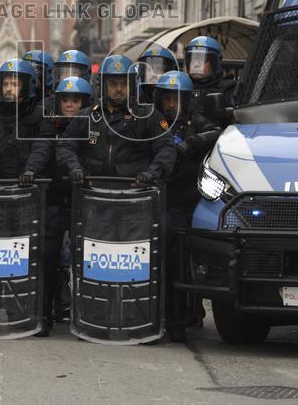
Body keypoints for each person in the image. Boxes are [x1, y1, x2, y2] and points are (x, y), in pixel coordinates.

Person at [0, 59, 54, 333]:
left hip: (25, 197)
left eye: (15, 83)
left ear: (26, 87)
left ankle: (22, 314)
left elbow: (42, 147)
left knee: (25, 256)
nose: (9, 88)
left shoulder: (38, 117)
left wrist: (31, 171)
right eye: (5, 83)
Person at [152, 71, 221, 343]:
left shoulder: (194, 121)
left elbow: (217, 132)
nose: (171, 104)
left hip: (185, 199)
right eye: (167, 98)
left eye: (176, 99)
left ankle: (180, 320)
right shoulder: (153, 121)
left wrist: (190, 144)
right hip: (157, 199)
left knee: (179, 263)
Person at [28, 75, 93, 334]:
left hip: (85, 200)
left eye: (75, 100)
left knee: (86, 258)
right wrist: (30, 172)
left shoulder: (93, 126)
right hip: (53, 198)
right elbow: (41, 151)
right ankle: (44, 315)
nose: (69, 105)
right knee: (47, 255)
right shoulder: (49, 125)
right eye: (65, 99)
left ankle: (88, 314)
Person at [56, 54, 177, 188]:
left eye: (124, 83)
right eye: (113, 84)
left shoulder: (149, 116)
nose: (119, 89)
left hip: (136, 194)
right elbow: (65, 146)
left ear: (132, 85)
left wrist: (152, 173)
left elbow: (166, 148)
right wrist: (74, 168)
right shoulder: (87, 116)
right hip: (92, 192)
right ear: (103, 85)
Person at [184, 36, 235, 129]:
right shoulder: (182, 86)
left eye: (202, 59)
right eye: (192, 59)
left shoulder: (228, 89)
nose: (195, 64)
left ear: (215, 62)